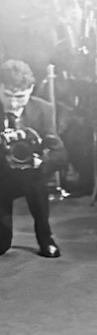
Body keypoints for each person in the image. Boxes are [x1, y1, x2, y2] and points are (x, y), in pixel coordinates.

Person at [0, 59, 67, 257]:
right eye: (7, 95)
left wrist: (41, 163)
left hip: (32, 175)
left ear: (31, 90)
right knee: (1, 245)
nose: (13, 103)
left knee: (38, 189)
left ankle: (45, 237)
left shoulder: (43, 109)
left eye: (20, 97)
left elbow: (60, 153)